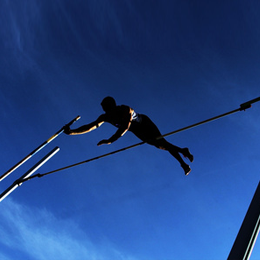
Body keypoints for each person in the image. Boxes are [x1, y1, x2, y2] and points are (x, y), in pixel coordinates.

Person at [64, 96, 193, 175]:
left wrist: (110, 140)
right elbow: (89, 127)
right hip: (136, 130)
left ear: (112, 104)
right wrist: (72, 132)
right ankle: (183, 154)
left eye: (106, 107)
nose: (105, 110)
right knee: (161, 146)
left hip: (144, 123)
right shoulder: (105, 117)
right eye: (104, 108)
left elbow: (125, 127)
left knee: (161, 143)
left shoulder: (125, 109)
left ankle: (183, 162)